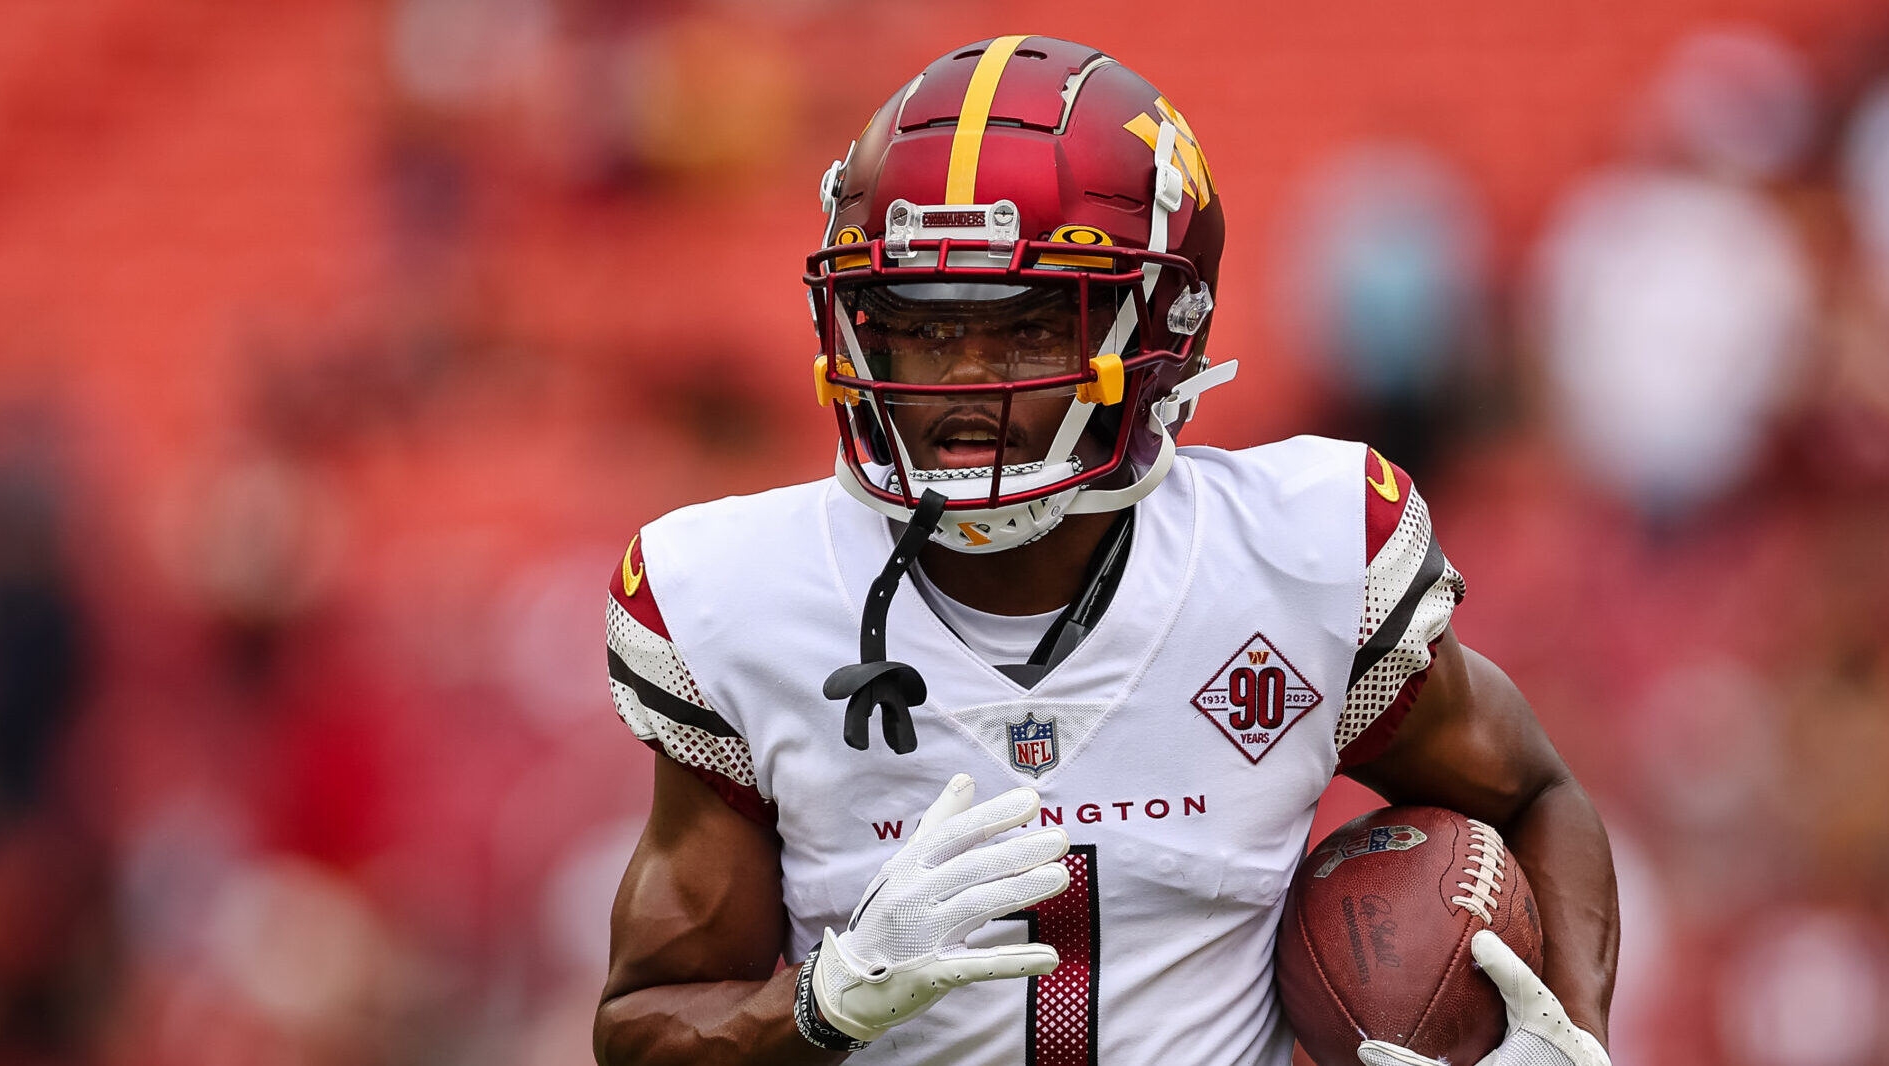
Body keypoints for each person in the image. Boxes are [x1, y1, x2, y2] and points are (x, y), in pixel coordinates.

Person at [594, 35, 1617, 1066]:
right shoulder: (733, 598)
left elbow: (1535, 797)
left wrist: (1563, 1039)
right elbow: (642, 1027)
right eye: (922, 328)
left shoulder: (1297, 559)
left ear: (1157, 330)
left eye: (1030, 327)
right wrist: (822, 1001)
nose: (966, 386)